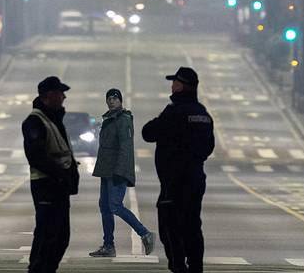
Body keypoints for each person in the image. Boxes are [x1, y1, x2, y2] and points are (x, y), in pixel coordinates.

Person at [142, 67, 213, 273]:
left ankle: (178, 265)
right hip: (196, 176)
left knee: (169, 223)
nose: (172, 86)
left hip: (174, 178)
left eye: (175, 83)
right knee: (192, 224)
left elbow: (149, 132)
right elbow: (209, 146)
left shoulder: (175, 112)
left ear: (181, 86)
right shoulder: (203, 114)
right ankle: (196, 266)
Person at [22, 76, 79, 273]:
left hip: (58, 187)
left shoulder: (53, 119)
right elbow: (36, 155)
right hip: (47, 186)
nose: (63, 97)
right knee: (49, 235)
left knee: (60, 237)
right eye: (60, 93)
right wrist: (60, 175)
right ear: (49, 95)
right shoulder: (35, 121)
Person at [89, 88, 154, 258]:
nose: (111, 101)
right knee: (105, 207)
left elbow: (126, 147)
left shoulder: (123, 119)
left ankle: (145, 234)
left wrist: (121, 171)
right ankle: (108, 246)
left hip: (117, 171)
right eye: (109, 98)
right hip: (106, 170)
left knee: (115, 206)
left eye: (115, 98)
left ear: (120, 101)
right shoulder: (109, 119)